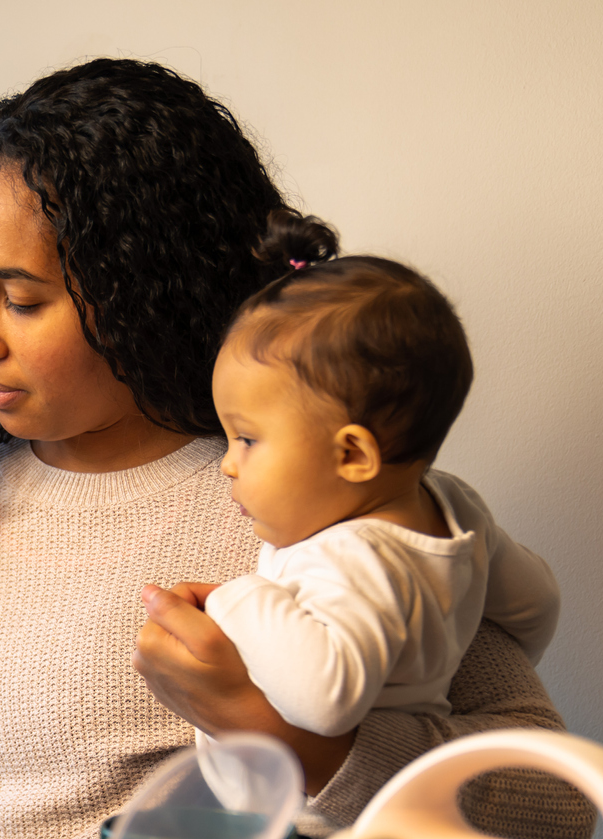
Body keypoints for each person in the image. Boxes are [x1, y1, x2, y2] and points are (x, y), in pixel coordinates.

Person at [0, 58, 590, 839]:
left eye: (21, 300)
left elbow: (554, 804)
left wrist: (289, 741)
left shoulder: (302, 502)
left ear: (139, 293)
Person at [198, 210, 560, 740]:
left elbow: (325, 702)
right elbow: (537, 605)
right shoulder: (456, 505)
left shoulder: (348, 558)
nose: (228, 463)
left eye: (247, 439)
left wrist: (235, 599)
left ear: (352, 456)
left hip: (307, 812)